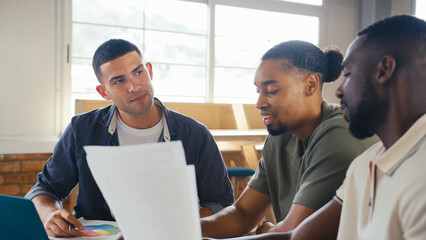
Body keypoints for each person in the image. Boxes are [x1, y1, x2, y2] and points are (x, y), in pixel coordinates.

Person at [209, 14, 426, 240]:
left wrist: (270, 230)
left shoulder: (419, 172)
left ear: (384, 70)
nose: (339, 91)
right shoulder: (366, 165)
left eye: (349, 75)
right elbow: (297, 236)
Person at [25, 39, 234, 237]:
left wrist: (180, 226)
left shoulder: (195, 134)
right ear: (103, 92)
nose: (134, 86)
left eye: (138, 72)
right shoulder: (81, 130)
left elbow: (221, 203)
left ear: (150, 71)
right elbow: (45, 189)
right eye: (119, 81)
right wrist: (48, 214)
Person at [201, 40, 378, 238]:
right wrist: (185, 229)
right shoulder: (281, 136)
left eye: (271, 91)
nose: (259, 103)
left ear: (310, 85)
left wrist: (269, 231)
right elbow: (242, 214)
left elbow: (292, 233)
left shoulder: (339, 135)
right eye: (258, 91)